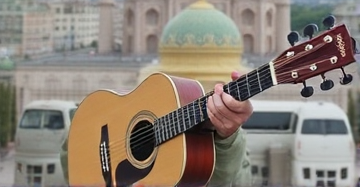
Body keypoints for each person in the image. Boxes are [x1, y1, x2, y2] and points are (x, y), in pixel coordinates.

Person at [60, 71, 253, 187]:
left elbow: (224, 179)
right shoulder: (105, 118)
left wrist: (227, 138)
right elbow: (74, 157)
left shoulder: (190, 160)